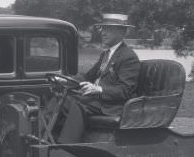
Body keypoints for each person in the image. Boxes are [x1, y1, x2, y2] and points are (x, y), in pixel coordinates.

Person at [57, 13, 141, 142]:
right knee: (60, 98)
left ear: (121, 32)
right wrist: (66, 80)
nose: (103, 32)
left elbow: (125, 90)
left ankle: (65, 147)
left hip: (113, 106)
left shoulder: (128, 57)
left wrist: (99, 89)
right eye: (103, 28)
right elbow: (87, 76)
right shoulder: (106, 54)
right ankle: (42, 136)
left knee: (78, 104)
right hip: (98, 101)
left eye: (108, 29)